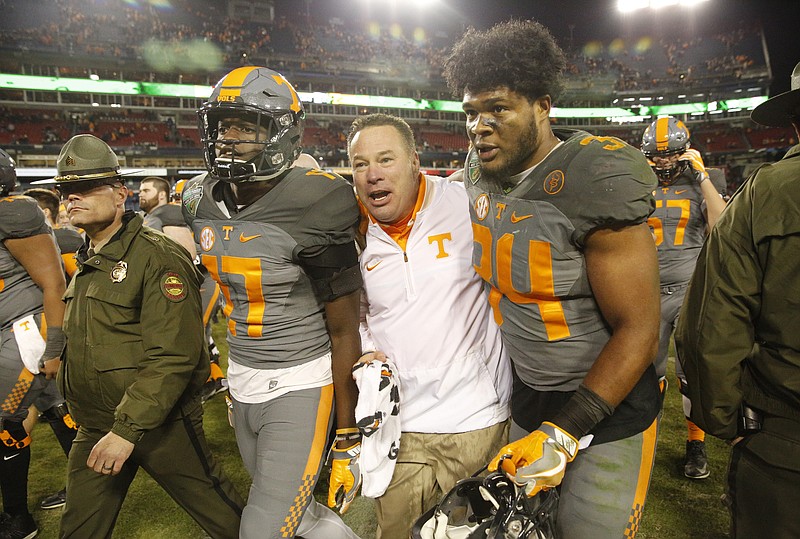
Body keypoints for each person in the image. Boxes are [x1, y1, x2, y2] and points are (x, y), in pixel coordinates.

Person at [443, 19, 662, 537]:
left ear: (543, 106)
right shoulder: (478, 172)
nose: (480, 126)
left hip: (609, 407)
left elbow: (639, 328)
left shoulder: (592, 177)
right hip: (530, 396)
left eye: (498, 108)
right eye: (471, 112)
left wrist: (564, 432)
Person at [34, 134, 244, 539]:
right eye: (66, 189)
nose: (71, 198)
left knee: (226, 519)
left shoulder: (156, 255)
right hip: (96, 424)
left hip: (159, 425)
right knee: (77, 531)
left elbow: (174, 356)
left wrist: (126, 431)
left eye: (84, 187)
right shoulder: (90, 254)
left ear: (120, 195)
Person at [182, 66, 362, 539]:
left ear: (281, 132)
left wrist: (347, 431)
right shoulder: (198, 197)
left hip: (301, 380)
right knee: (299, 517)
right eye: (223, 124)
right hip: (242, 378)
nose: (229, 137)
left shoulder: (318, 200)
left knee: (261, 528)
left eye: (247, 125)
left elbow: (345, 328)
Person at [345, 113, 512, 538]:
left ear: (415, 161)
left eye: (386, 159)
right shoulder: (349, 232)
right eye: (361, 164)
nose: (373, 174)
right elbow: (353, 310)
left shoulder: (464, 205)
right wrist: (365, 345)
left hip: (477, 418)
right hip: (400, 427)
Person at [675, 60, 800, 539]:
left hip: (786, 440)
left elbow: (711, 327)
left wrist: (726, 419)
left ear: (794, 120)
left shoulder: (766, 193)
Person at [640, 116, 727, 479]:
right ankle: (646, 439)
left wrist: (703, 176)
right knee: (648, 372)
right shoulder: (641, 181)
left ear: (685, 151)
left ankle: (696, 444)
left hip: (691, 289)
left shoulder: (704, 180)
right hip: (647, 291)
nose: (662, 162)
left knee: (690, 372)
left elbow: (722, 225)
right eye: (655, 156)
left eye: (669, 155)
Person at [1, 148, 67, 539]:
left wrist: (54, 344)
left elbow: (54, 282)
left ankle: (16, 518)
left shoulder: (13, 211)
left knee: (5, 421)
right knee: (59, 408)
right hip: (16, 331)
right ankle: (90, 486)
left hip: (27, 333)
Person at [138, 176, 228, 403]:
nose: (140, 194)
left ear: (161, 195)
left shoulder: (165, 213)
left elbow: (188, 254)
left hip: (200, 281)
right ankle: (214, 380)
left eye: (145, 190)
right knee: (198, 333)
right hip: (196, 280)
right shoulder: (160, 215)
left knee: (194, 333)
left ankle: (203, 382)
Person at [21, 187, 84, 511]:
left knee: (53, 405)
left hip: (49, 337)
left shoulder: (64, 241)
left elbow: (76, 288)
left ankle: (87, 480)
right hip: (31, 337)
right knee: (49, 406)